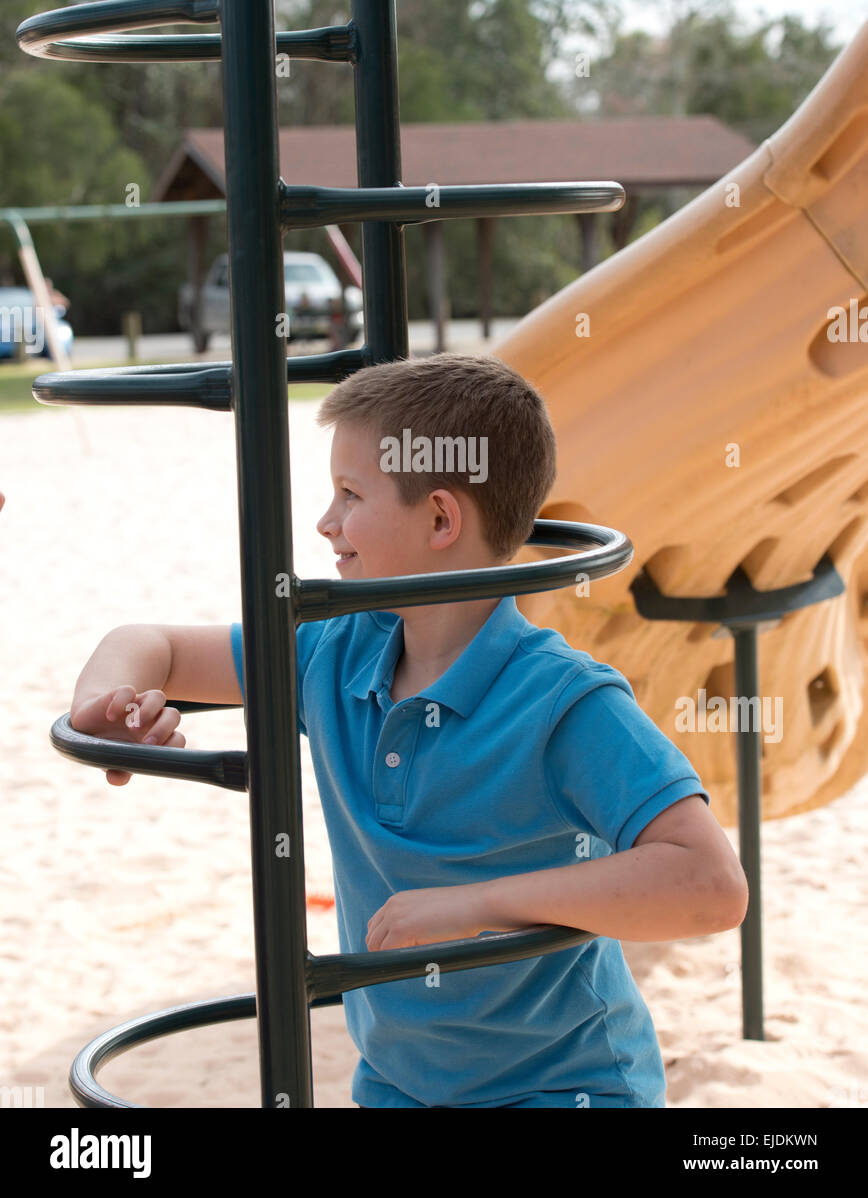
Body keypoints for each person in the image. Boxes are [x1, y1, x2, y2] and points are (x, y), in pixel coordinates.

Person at [69, 352, 747, 1109]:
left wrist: (480, 905)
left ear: (439, 518)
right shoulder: (332, 650)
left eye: (350, 494)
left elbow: (711, 885)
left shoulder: (561, 702)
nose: (326, 521)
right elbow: (152, 642)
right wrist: (110, 701)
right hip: (400, 1087)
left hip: (567, 1089)